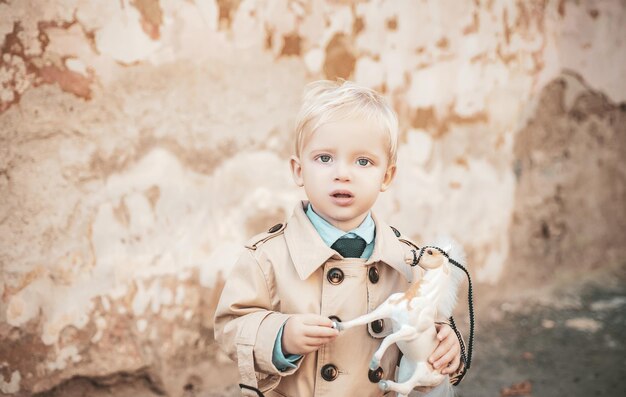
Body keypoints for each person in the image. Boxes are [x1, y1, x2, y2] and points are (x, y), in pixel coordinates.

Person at [214, 80, 466, 396]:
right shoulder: (266, 258)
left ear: (386, 176)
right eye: (324, 158)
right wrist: (280, 336)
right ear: (298, 171)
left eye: (363, 161)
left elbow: (431, 319)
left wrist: (446, 343)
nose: (342, 173)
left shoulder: (409, 260)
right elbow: (230, 326)